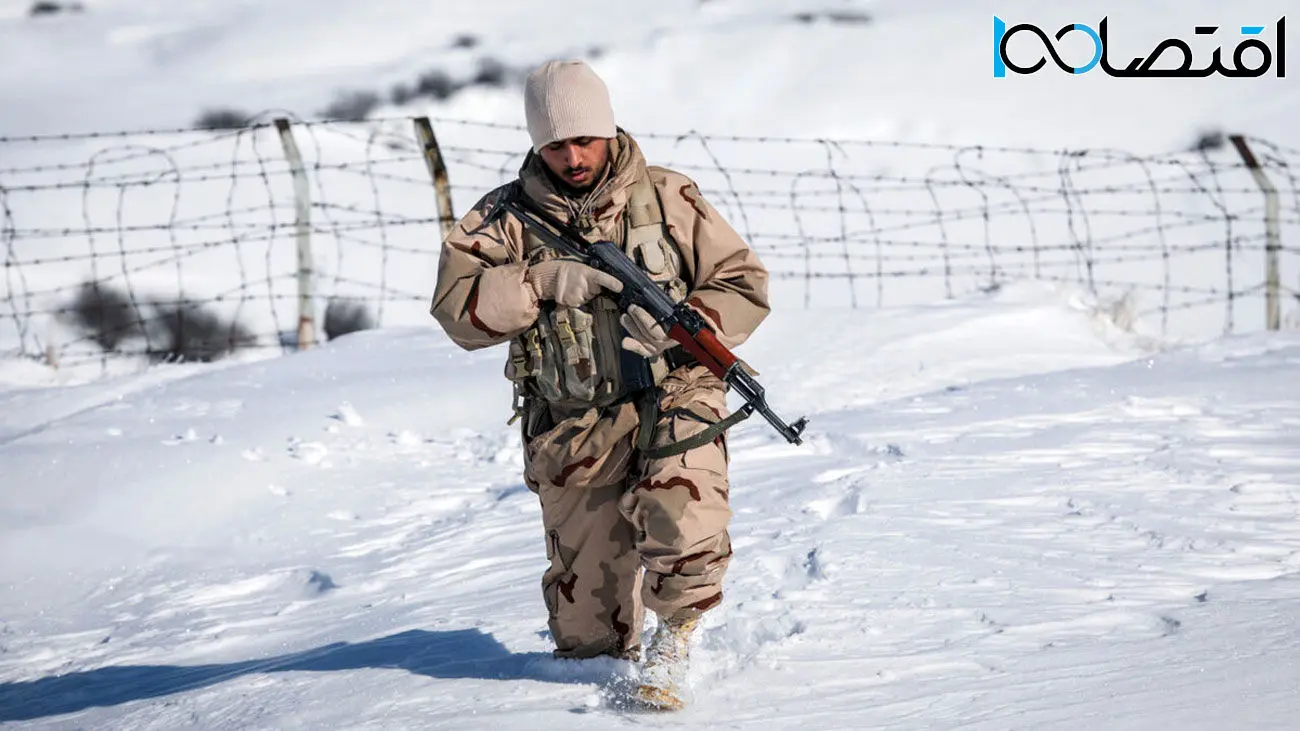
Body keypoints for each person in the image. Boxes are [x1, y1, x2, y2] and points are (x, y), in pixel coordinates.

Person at [429, 59, 769, 705]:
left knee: (684, 509)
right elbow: (458, 314)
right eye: (556, 144)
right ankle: (587, 679)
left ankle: (676, 635)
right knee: (587, 623)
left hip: (677, 388)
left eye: (585, 138)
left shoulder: (669, 196)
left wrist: (682, 325)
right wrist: (537, 281)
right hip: (572, 412)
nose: (574, 156)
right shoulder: (499, 219)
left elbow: (743, 282)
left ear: (608, 130)